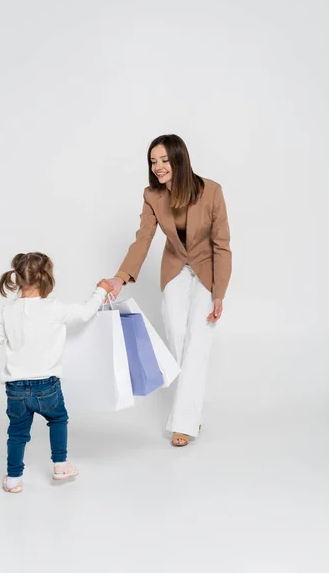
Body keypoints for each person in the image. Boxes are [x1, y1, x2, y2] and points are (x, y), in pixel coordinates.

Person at [107, 134, 232, 447]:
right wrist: (120, 278)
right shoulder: (152, 195)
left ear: (179, 159)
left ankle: (184, 423)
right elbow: (143, 239)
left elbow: (222, 245)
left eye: (164, 160)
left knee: (198, 340)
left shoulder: (212, 190)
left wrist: (219, 293)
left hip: (207, 269)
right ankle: (191, 410)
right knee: (177, 339)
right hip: (176, 266)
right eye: (153, 161)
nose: (158, 166)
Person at [0, 252, 112, 492]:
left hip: (15, 389)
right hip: (47, 386)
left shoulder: (8, 311)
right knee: (58, 419)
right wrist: (101, 290)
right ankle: (60, 465)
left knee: (16, 433)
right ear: (46, 277)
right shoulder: (55, 308)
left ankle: (13, 479)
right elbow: (86, 313)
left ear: (18, 278)